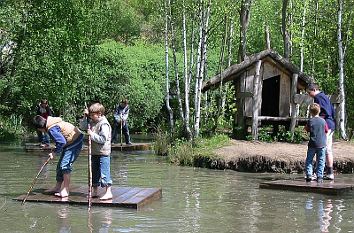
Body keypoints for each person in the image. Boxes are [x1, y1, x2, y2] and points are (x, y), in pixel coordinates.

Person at [33, 114, 84, 198]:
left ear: (40, 128)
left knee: (64, 165)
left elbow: (61, 142)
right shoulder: (52, 124)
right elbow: (61, 141)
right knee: (60, 166)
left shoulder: (52, 129)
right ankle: (57, 187)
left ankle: (66, 190)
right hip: (70, 142)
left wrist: (54, 152)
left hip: (75, 142)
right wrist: (55, 150)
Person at [81, 103, 113, 200]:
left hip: (103, 153)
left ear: (99, 114)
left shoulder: (104, 124)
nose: (91, 117)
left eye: (92, 115)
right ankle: (94, 191)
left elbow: (103, 139)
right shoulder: (92, 121)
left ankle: (108, 192)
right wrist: (84, 117)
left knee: (104, 172)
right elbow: (82, 126)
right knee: (94, 172)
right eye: (90, 115)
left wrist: (91, 135)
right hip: (94, 152)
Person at [307, 83, 336, 180]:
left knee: (322, 149)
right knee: (327, 149)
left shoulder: (319, 97)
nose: (308, 94)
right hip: (329, 124)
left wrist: (317, 122)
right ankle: (329, 173)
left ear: (314, 90)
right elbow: (332, 111)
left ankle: (317, 173)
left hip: (326, 125)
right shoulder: (325, 96)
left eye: (309, 92)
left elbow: (326, 112)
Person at [304, 103, 328, 183]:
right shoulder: (323, 121)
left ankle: (309, 175)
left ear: (310, 112)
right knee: (321, 160)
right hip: (322, 144)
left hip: (312, 144)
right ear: (319, 111)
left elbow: (306, 129)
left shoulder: (310, 121)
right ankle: (320, 176)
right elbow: (326, 130)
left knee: (309, 160)